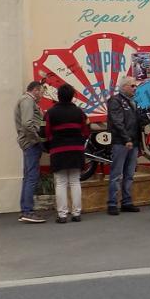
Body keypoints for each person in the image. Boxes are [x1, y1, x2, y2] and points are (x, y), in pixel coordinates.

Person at [44, 83, 89, 222]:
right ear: (72, 96)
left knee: (61, 182)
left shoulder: (51, 112)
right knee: (75, 181)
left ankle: (62, 215)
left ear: (58, 96)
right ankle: (76, 213)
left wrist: (52, 143)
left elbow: (47, 133)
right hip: (76, 149)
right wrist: (80, 141)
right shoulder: (79, 112)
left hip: (58, 150)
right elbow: (86, 131)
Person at [106, 76, 142, 215]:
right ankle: (112, 203)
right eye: (132, 86)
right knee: (117, 173)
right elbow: (117, 122)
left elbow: (136, 120)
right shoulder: (115, 101)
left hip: (133, 141)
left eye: (135, 86)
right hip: (121, 142)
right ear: (124, 86)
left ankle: (126, 201)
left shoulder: (132, 101)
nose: (135, 88)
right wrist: (126, 138)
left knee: (129, 174)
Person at [14, 80, 47, 223]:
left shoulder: (25, 101)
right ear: (36, 90)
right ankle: (28, 211)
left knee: (28, 176)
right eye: (42, 92)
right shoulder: (27, 101)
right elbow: (27, 124)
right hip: (31, 143)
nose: (42, 96)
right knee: (32, 176)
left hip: (28, 142)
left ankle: (25, 210)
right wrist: (37, 139)